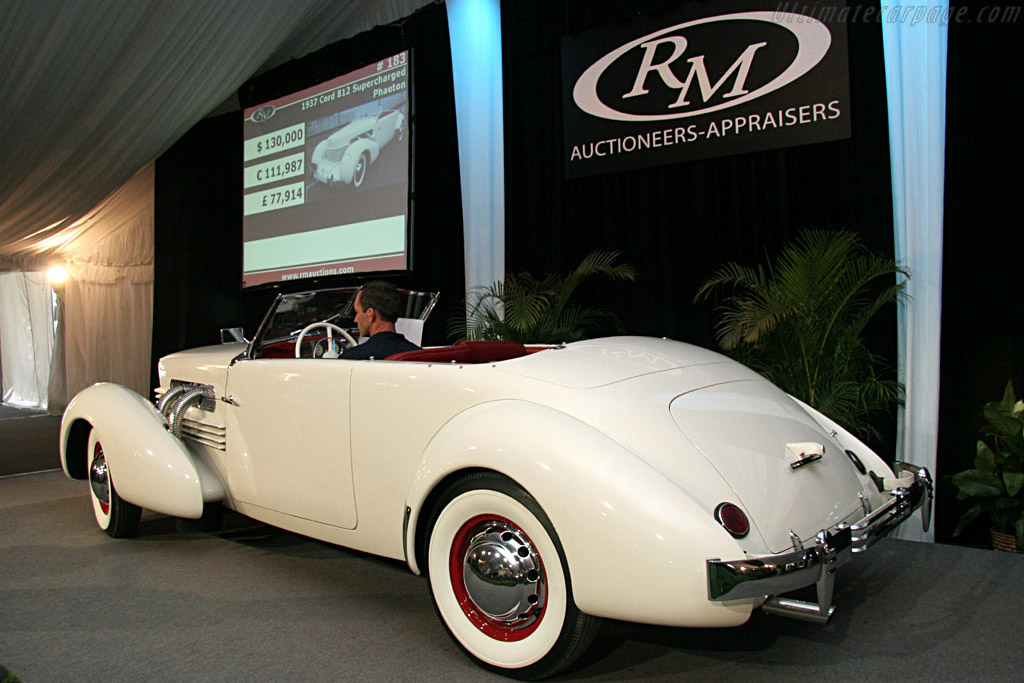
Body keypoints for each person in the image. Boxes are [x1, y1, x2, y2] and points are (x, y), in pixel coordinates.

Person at [339, 280, 420, 360]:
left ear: (370, 314)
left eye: (357, 312)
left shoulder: (351, 358)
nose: (355, 320)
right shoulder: (420, 356)